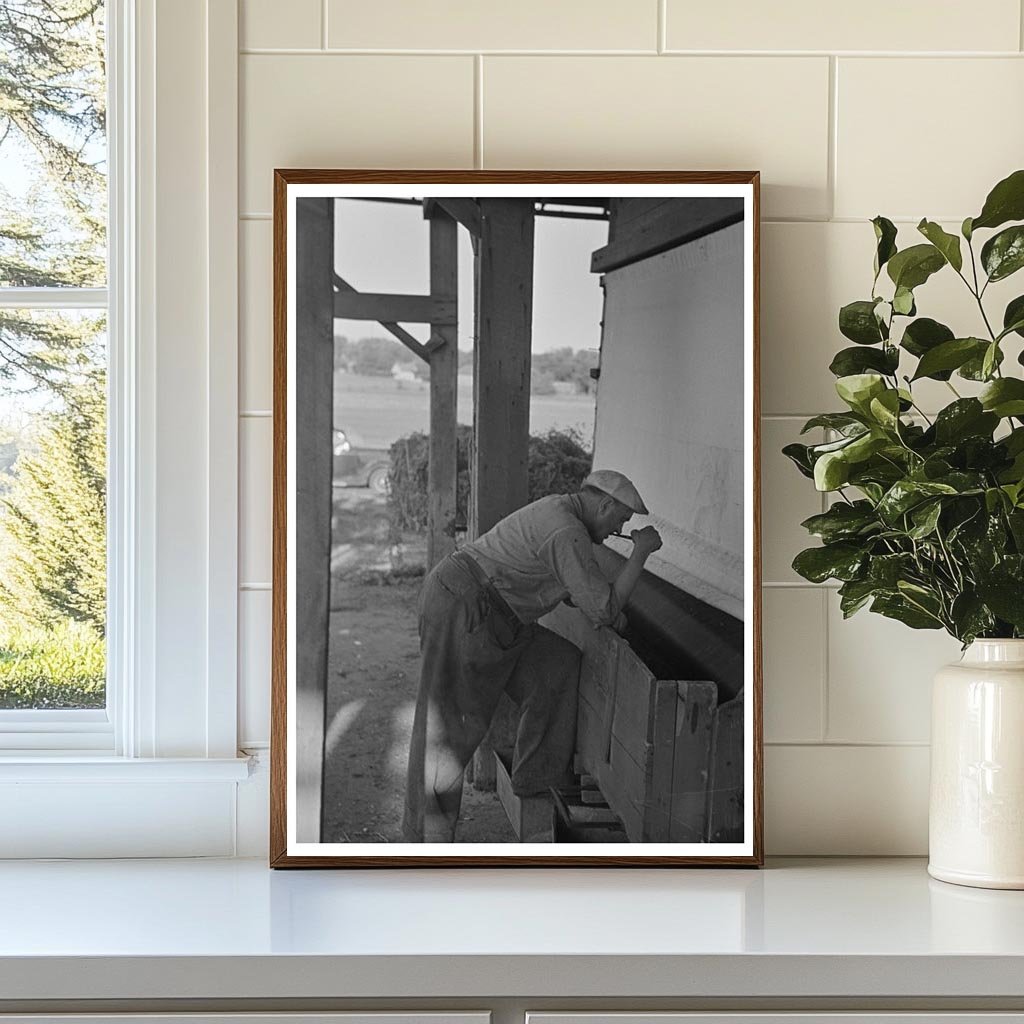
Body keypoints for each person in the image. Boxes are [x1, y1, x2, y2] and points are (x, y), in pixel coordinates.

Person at [402, 469, 663, 843]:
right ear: (604, 504)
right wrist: (640, 554)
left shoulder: (562, 512)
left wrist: (601, 599)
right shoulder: (566, 531)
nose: (615, 530)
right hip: (467, 610)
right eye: (619, 520)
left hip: (494, 612)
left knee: (556, 667)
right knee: (447, 729)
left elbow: (577, 592)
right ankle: (425, 842)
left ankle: (535, 785)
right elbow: (602, 611)